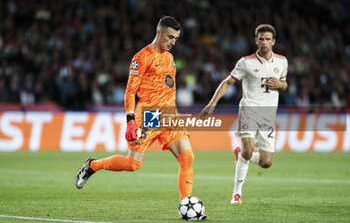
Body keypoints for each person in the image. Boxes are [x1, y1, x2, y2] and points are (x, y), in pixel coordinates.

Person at [75, 16, 203, 212]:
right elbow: (130, 90)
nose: (173, 42)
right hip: (149, 116)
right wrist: (130, 120)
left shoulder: (169, 58)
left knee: (187, 157)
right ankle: (92, 165)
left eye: (176, 38)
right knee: (132, 164)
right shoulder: (141, 57)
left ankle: (185, 205)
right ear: (159, 33)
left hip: (169, 115)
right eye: (170, 37)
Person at [200, 24, 288, 204]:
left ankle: (240, 154)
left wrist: (280, 85)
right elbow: (227, 82)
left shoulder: (282, 61)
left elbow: (284, 84)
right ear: (256, 40)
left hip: (268, 115)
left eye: (268, 39)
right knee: (249, 149)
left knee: (266, 162)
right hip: (249, 109)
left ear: (274, 42)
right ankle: (237, 194)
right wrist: (212, 104)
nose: (264, 42)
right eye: (261, 39)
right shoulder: (246, 62)